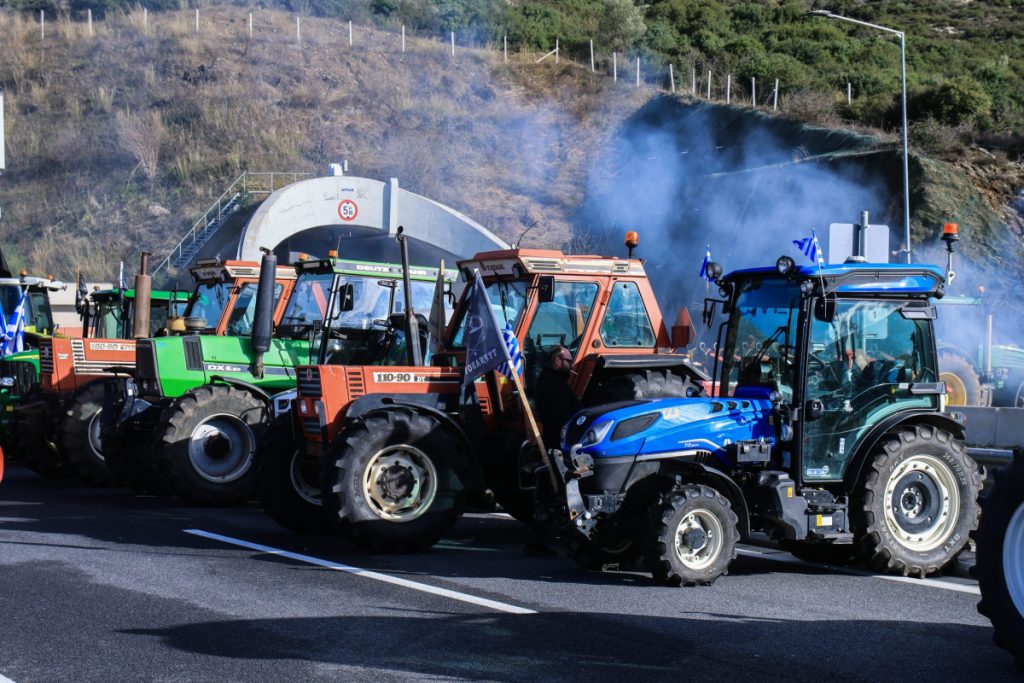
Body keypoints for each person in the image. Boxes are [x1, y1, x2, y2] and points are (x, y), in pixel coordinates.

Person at [534, 345, 582, 448]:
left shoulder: (549, 379)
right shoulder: (553, 384)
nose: (571, 365)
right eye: (569, 361)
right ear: (558, 361)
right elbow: (566, 413)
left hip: (553, 439)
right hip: (558, 443)